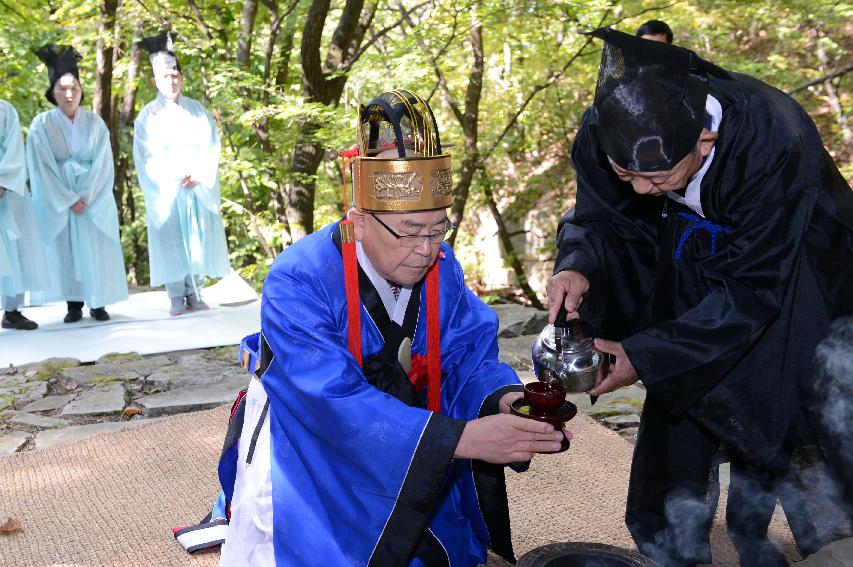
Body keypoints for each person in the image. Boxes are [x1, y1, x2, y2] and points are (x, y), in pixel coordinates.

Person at [216, 89, 567, 566]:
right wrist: (461, 440)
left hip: (412, 437)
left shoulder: (442, 266)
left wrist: (506, 400)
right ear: (359, 222)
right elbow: (327, 400)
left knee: (446, 552)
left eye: (438, 229)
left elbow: (467, 356)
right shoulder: (299, 279)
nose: (426, 249)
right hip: (315, 445)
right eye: (409, 231)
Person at [548, 28, 853, 567]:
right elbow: (600, 219)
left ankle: (831, 540)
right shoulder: (606, 127)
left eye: (657, 176)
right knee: (679, 385)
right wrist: (577, 266)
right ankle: (670, 546)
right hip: (685, 257)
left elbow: (755, 289)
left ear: (705, 141)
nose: (639, 190)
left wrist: (641, 355)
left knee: (795, 398)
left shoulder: (771, 134)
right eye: (626, 173)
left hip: (796, 270)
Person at [28, 44, 127, 323]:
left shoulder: (95, 124)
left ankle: (99, 302)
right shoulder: (41, 125)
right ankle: (74, 303)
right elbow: (41, 168)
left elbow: (103, 164)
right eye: (62, 88)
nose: (69, 94)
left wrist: (87, 195)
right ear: (52, 92)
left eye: (74, 88)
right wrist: (69, 198)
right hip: (62, 200)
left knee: (96, 245)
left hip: (92, 198)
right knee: (67, 249)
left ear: (82, 90)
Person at [133, 32, 230, 316]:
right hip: (168, 188)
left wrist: (199, 173)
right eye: (165, 76)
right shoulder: (147, 117)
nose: (172, 80)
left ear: (182, 78)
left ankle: (196, 290)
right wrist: (177, 174)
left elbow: (212, 145)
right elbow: (146, 157)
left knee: (196, 238)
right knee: (172, 238)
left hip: (195, 185)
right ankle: (177, 294)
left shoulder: (198, 110)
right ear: (155, 81)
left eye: (175, 75)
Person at [0, 99, 50, 330]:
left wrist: (3, 182)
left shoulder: (5, 109)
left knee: (15, 250)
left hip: (6, 192)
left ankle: (11, 311)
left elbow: (14, 149)